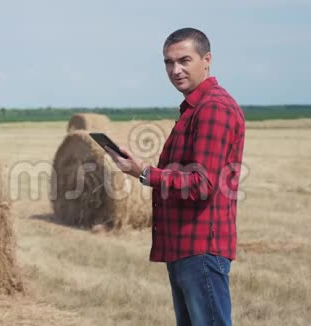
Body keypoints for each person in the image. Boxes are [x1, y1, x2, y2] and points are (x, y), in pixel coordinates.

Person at [105, 27, 245, 326]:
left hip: (201, 248)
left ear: (206, 60)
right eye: (168, 62)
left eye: (184, 60)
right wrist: (144, 171)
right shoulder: (193, 109)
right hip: (185, 245)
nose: (175, 70)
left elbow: (202, 184)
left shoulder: (213, 109)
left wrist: (144, 173)